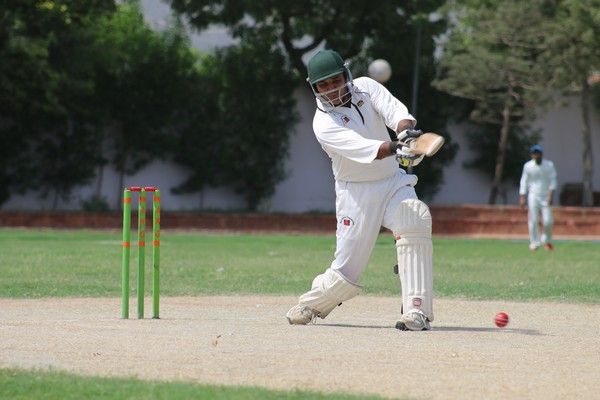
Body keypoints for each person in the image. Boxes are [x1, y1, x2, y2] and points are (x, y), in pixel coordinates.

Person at [286, 50, 434, 331]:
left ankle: (417, 310)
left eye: (336, 80)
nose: (332, 89)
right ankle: (313, 303)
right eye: (324, 85)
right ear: (315, 88)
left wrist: (406, 135)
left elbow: (396, 113)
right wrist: (398, 148)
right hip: (356, 194)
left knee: (414, 218)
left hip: (392, 181)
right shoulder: (323, 124)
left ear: (346, 75)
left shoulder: (366, 86)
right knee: (347, 270)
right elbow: (368, 149)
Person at [519, 144, 557, 251]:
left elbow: (553, 180)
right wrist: (522, 196)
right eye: (534, 153)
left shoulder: (549, 165)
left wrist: (550, 195)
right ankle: (534, 242)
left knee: (548, 221)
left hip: (546, 195)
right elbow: (524, 181)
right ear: (532, 155)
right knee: (533, 220)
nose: (536, 155)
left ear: (541, 154)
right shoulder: (528, 166)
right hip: (533, 195)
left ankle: (547, 241)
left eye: (538, 153)